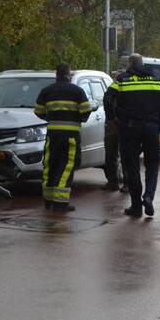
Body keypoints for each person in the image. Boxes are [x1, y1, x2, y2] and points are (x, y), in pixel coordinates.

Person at [104, 53, 160, 217]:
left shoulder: (122, 80)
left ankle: (136, 206)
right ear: (142, 64)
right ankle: (148, 196)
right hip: (152, 128)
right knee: (153, 164)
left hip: (129, 128)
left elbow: (108, 98)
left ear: (130, 65)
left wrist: (113, 118)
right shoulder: (157, 81)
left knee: (132, 165)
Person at [34, 63, 92, 212]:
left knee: (50, 165)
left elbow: (38, 111)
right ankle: (60, 202)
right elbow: (86, 111)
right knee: (66, 166)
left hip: (52, 135)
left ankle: (48, 200)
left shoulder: (46, 91)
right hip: (70, 135)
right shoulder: (77, 91)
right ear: (69, 75)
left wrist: (52, 118)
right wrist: (76, 118)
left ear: (56, 75)